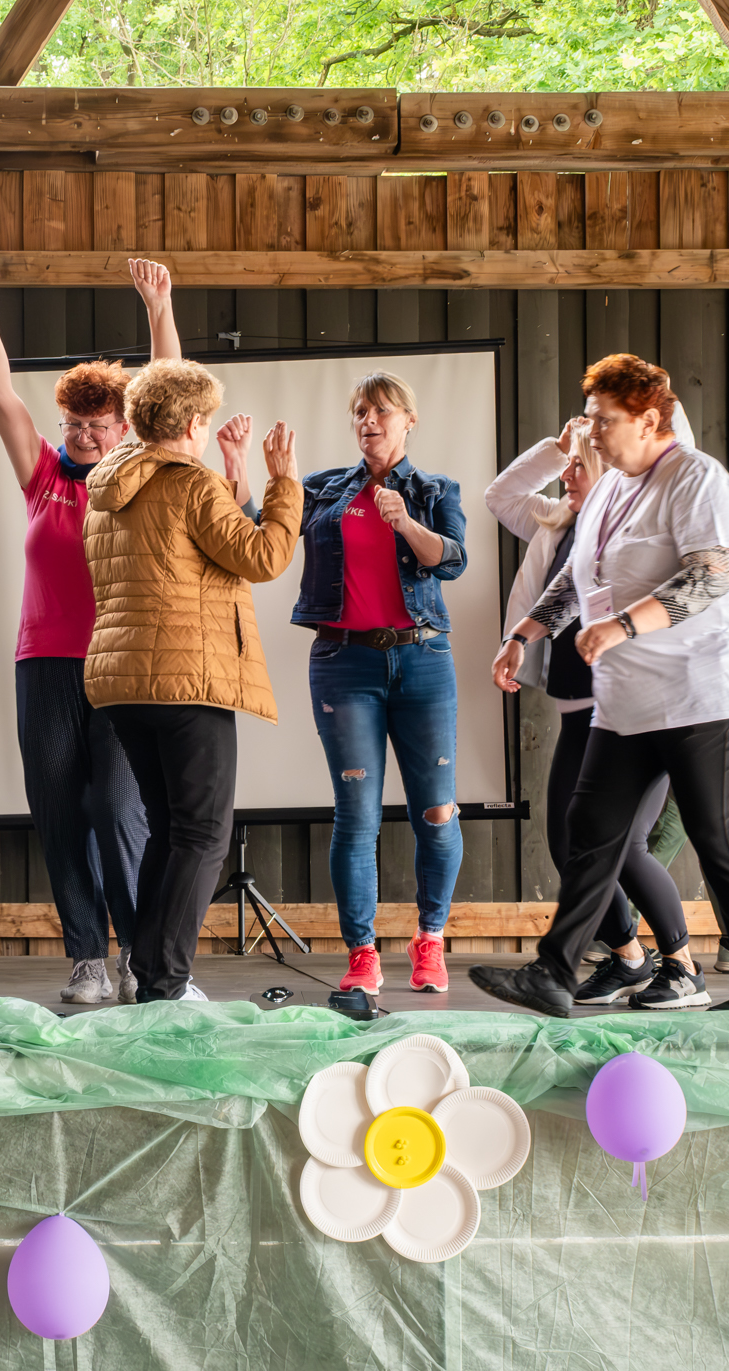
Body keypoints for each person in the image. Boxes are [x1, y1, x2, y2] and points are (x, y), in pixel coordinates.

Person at [0, 257, 250, 1005]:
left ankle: (144, 959)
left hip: (121, 665)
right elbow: (0, 396)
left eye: (100, 425)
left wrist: (160, 307)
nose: (87, 436)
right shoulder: (44, 478)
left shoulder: (138, 476)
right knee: (61, 813)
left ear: (126, 427)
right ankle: (88, 958)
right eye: (75, 425)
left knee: (120, 811)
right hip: (45, 664)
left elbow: (169, 389)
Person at [473, 354, 729, 1017]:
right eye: (589, 419)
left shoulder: (697, 479)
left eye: (603, 420)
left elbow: (712, 574)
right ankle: (553, 973)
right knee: (590, 825)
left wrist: (623, 624)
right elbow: (577, 577)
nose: (590, 432)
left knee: (718, 835)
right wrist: (524, 633)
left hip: (703, 692)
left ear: (649, 420)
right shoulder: (610, 487)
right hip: (630, 697)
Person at [83, 359, 301, 1003]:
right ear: (190, 424)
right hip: (184, 678)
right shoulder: (188, 481)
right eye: (205, 421)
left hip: (123, 680)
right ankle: (167, 983)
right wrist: (283, 483)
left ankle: (152, 976)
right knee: (203, 834)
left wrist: (234, 472)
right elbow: (262, 556)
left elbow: (192, 549)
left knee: (170, 829)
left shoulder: (110, 489)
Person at [487, 415, 697, 1009]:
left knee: (623, 844)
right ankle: (629, 957)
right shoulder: (566, 522)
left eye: (581, 464)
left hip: (640, 709)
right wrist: (519, 637)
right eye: (570, 464)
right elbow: (504, 500)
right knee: (568, 842)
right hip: (580, 710)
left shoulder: (642, 525)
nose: (568, 474)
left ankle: (683, 967)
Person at [289, 370, 469, 996]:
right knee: (356, 816)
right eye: (361, 412)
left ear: (408, 420)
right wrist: (238, 468)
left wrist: (405, 523)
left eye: (382, 411)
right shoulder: (322, 490)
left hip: (422, 660)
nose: (369, 421)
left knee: (437, 812)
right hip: (346, 663)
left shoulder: (434, 489)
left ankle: (430, 940)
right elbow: (263, 530)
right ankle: (362, 953)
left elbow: (451, 560)